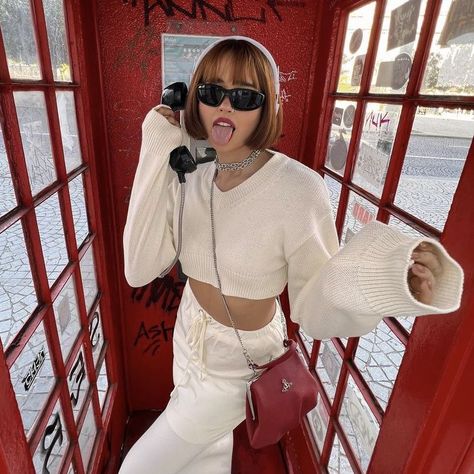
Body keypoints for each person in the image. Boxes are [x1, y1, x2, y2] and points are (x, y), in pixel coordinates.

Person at [119, 37, 463, 473]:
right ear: (193, 100)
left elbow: (316, 300)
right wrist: (156, 145)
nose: (224, 107)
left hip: (239, 362)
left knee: (138, 468)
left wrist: (389, 278)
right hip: (190, 333)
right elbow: (139, 268)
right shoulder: (195, 174)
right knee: (209, 451)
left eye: (244, 96)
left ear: (266, 108)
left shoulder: (298, 189)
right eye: (210, 93)